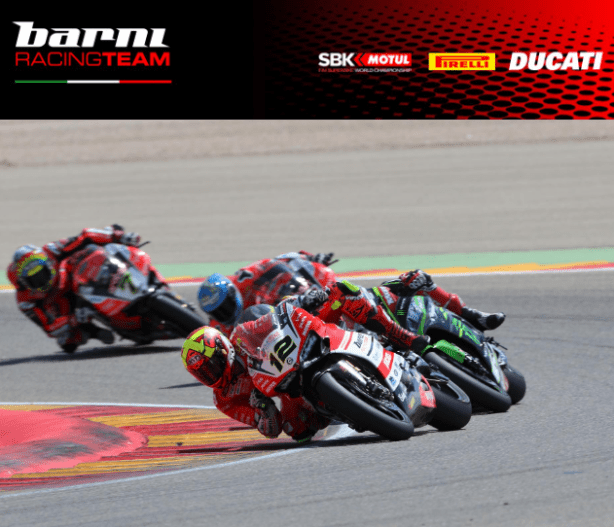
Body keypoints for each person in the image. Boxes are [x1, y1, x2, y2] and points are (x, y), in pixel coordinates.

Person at [181, 278, 431, 442]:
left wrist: (305, 301)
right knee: (296, 431)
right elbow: (270, 430)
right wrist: (264, 410)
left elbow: (274, 317)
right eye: (203, 374)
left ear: (223, 348)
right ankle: (346, 407)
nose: (211, 375)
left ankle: (402, 337)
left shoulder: (241, 337)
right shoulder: (223, 399)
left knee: (341, 291)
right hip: (288, 391)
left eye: (211, 365)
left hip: (298, 350)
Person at [7, 224, 143, 353]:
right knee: (67, 342)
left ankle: (132, 270)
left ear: (48, 263)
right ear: (23, 282)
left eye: (42, 273)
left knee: (98, 246)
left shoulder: (52, 249)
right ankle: (93, 331)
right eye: (33, 279)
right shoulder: (25, 300)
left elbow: (85, 236)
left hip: (77, 275)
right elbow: (49, 327)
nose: (40, 280)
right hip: (61, 301)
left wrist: (118, 236)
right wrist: (74, 319)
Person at [197, 251, 338, 336]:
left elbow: (277, 262)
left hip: (286, 302)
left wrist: (309, 258)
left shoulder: (245, 278)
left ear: (232, 293)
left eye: (226, 306)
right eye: (218, 313)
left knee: (330, 285)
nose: (225, 314)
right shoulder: (218, 327)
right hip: (274, 335)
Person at [375, 269, 505, 332]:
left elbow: (380, 291)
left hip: (393, 320)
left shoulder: (363, 295)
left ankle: (474, 317)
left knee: (416, 279)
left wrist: (403, 283)